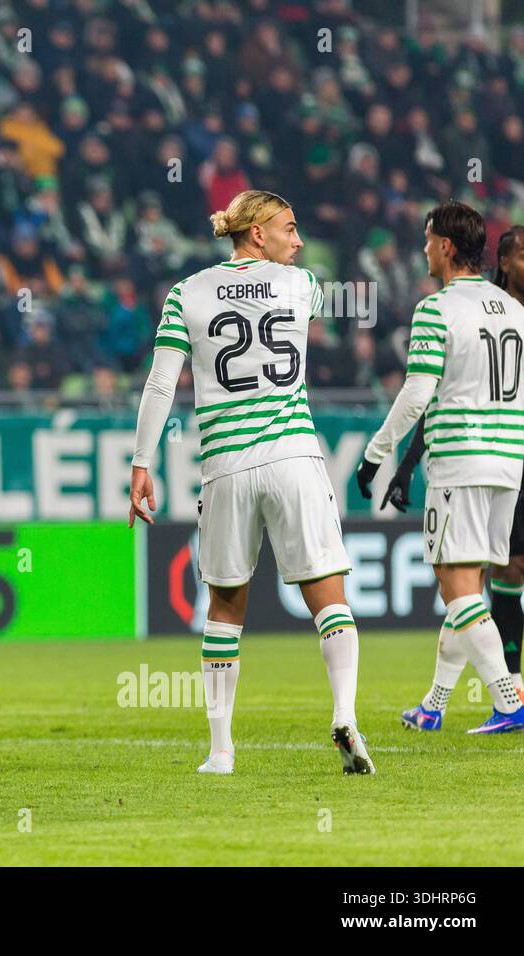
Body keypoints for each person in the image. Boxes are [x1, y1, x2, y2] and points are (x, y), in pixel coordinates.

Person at [130, 189, 373, 776]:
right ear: (258, 233)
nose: (300, 240)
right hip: (293, 456)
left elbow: (162, 385)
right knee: (327, 595)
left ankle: (220, 751)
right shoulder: (302, 285)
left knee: (224, 605)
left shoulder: (185, 293)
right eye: (290, 228)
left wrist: (142, 462)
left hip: (226, 466)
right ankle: (345, 714)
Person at [358, 201, 524, 734]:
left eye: (429, 240)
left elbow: (415, 395)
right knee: (466, 584)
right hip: (508, 464)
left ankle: (508, 699)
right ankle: (434, 703)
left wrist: (376, 454)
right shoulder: (516, 311)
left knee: (454, 582)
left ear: (447, 246)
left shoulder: (437, 309)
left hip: (460, 459)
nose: (425, 249)